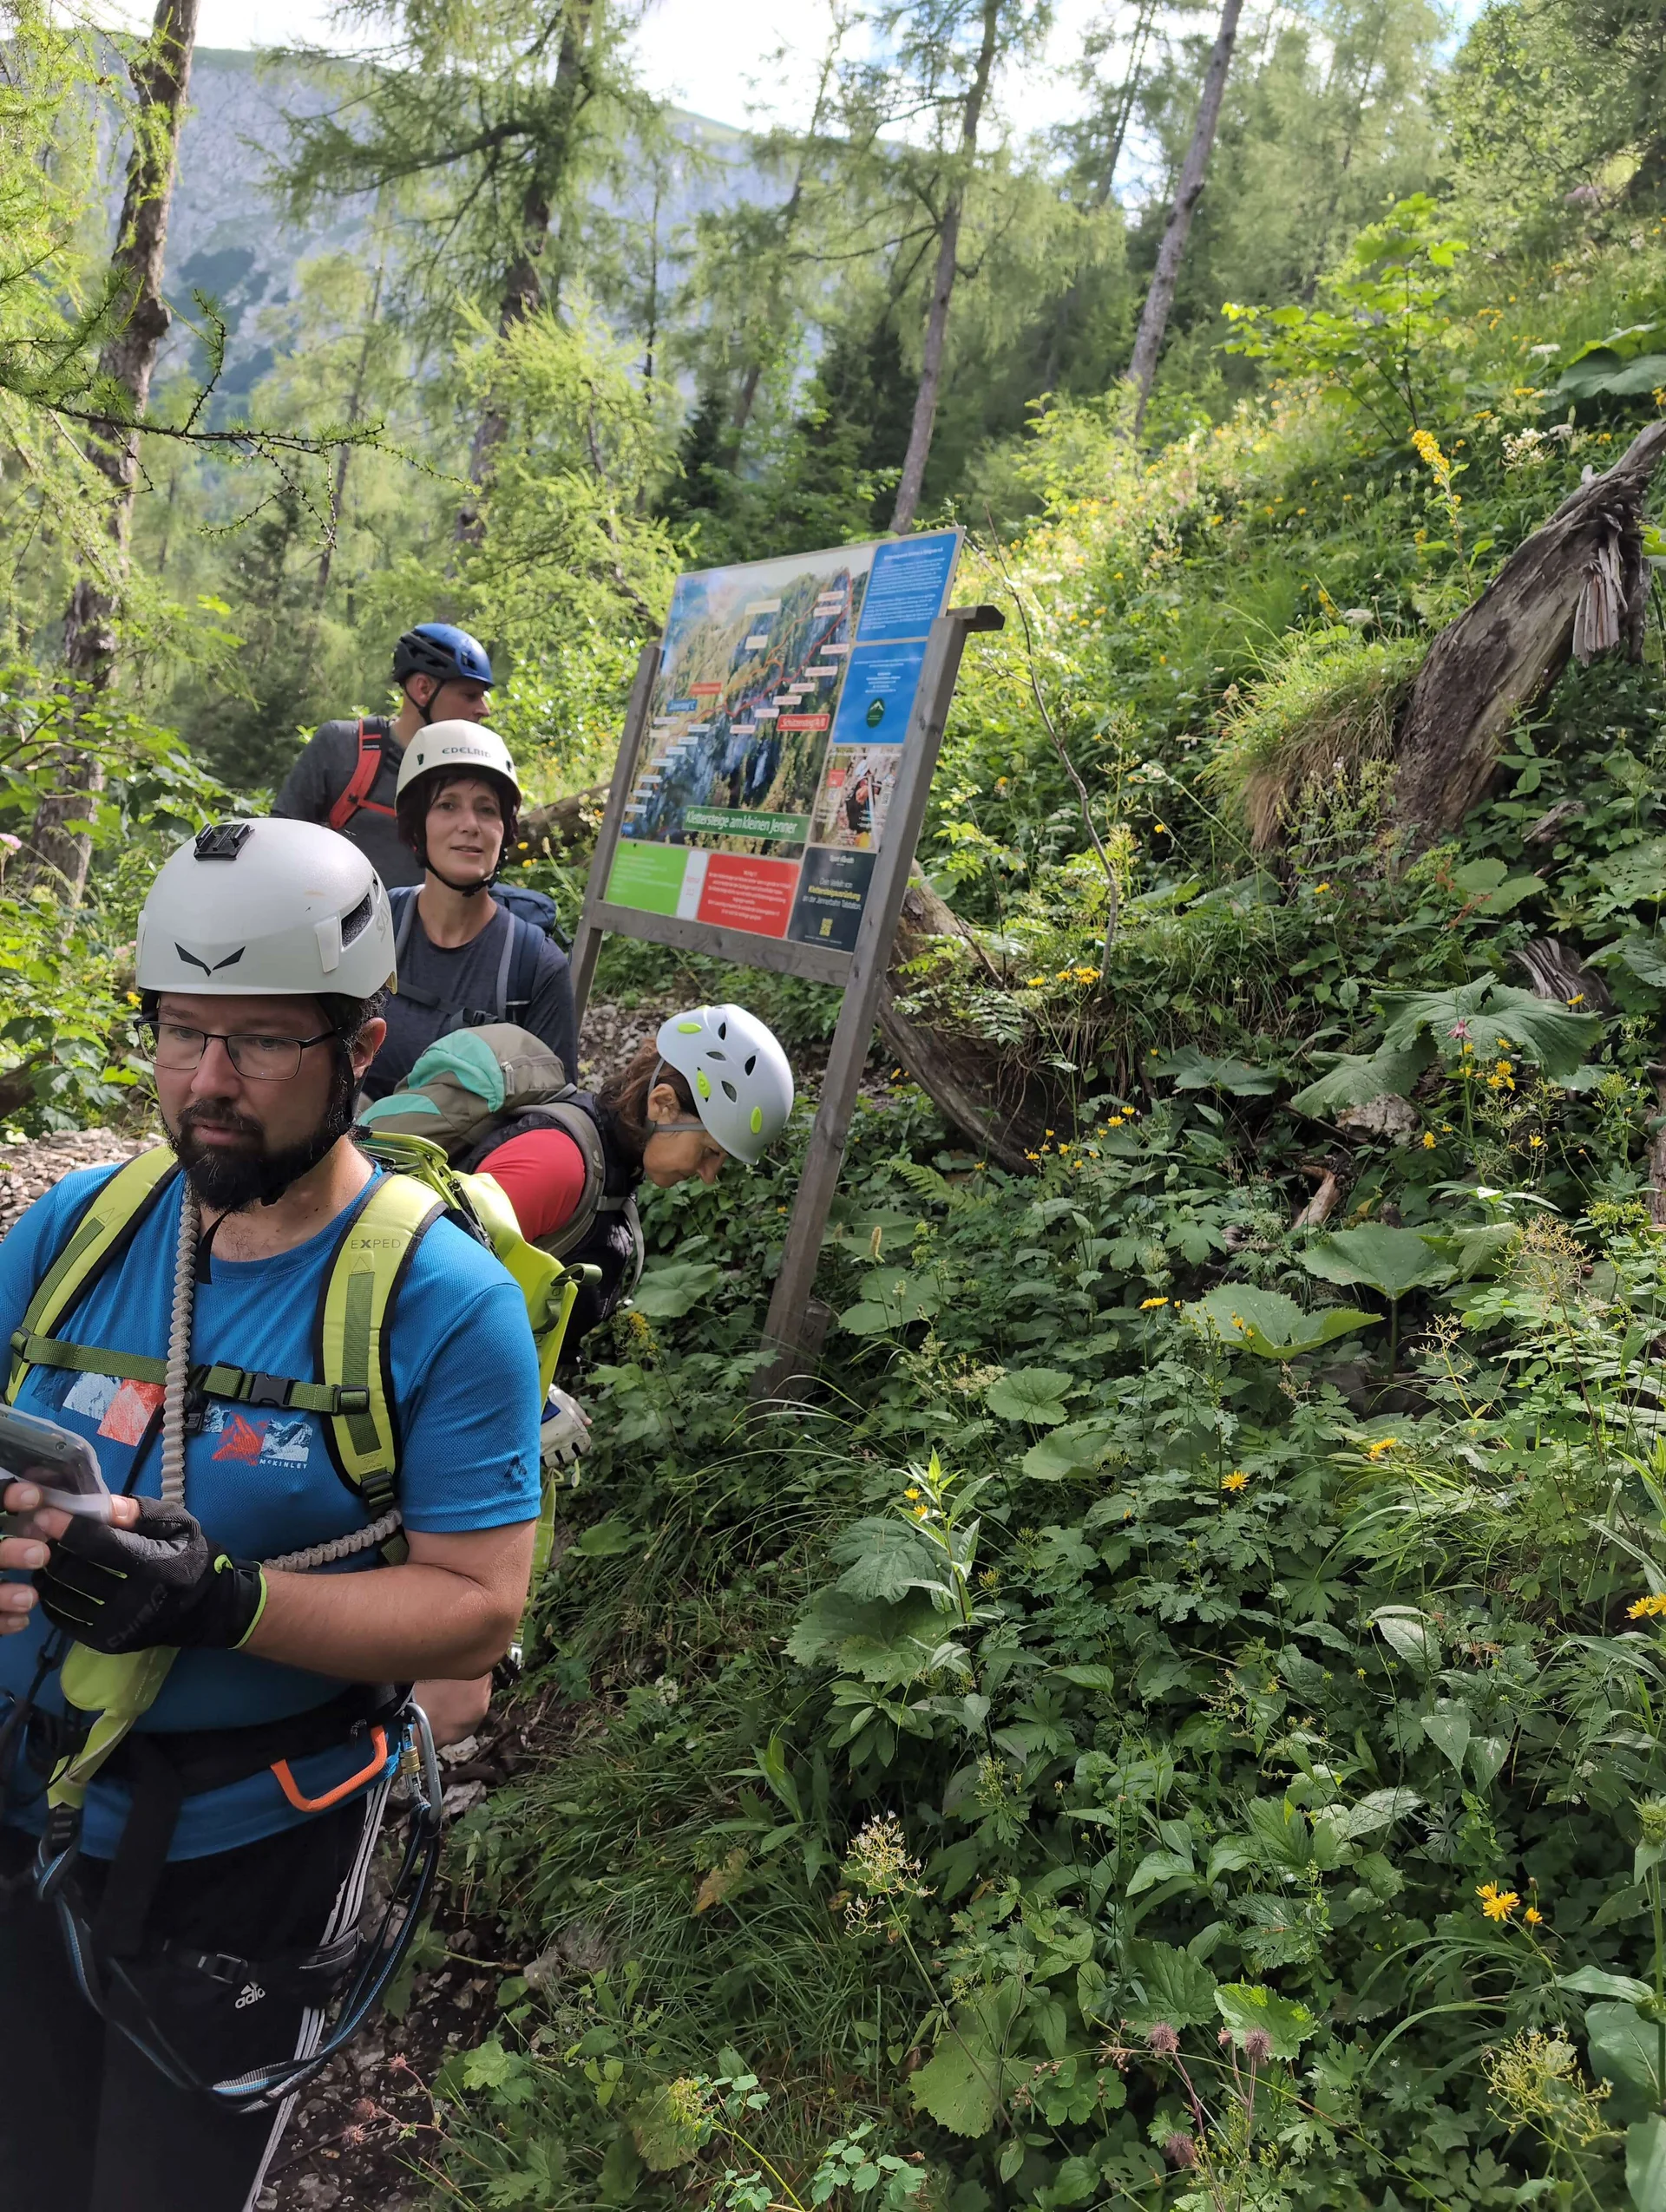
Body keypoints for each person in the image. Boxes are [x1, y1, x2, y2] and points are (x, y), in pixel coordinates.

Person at [0, 818, 543, 2211]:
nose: (208, 1084)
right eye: (182, 1034)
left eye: (260, 1042)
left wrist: (228, 1600)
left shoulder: (443, 1306)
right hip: (24, 1808)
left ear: (360, 1049)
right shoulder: (72, 1234)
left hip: (249, 1854)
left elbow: (479, 1607)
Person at [384, 1004, 794, 1747]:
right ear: (663, 1102)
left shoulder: (611, 1168)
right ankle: (335, 1809)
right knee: (450, 1698)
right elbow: (417, 1282)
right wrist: (527, 1398)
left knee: (451, 1684)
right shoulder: (560, 1164)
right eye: (709, 1151)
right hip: (423, 1438)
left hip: (458, 1442)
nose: (708, 1176)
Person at [361, 720, 576, 1103]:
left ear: (504, 829)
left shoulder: (536, 967)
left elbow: (553, 1115)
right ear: (417, 825)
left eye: (487, 809)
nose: (470, 825)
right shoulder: (374, 925)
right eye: (447, 805)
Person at [272, 624, 495, 889]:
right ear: (423, 689)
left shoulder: (480, 776)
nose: (484, 710)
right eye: (470, 696)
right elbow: (277, 850)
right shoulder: (341, 747)